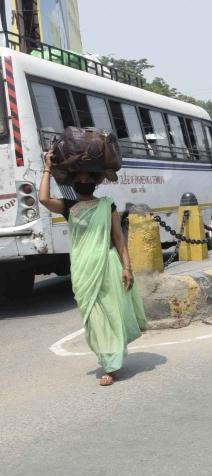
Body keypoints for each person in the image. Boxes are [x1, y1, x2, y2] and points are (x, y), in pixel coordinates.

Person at [39, 150, 147, 386]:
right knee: (94, 318)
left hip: (108, 264)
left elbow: (119, 239)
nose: (85, 182)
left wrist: (127, 267)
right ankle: (107, 356)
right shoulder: (68, 206)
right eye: (80, 179)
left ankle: (111, 364)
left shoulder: (107, 206)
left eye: (89, 179)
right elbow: (44, 199)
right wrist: (47, 168)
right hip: (82, 268)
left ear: (96, 182)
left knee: (111, 312)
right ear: (73, 182)